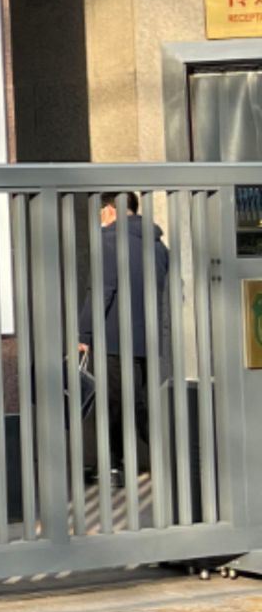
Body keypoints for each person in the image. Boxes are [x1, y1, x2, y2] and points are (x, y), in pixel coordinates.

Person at [77, 191, 172, 479]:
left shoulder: (109, 241)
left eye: (100, 211)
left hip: (115, 337)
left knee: (120, 403)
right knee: (131, 401)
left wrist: (85, 332)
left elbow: (102, 291)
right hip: (147, 338)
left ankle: (132, 462)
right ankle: (124, 462)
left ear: (110, 210)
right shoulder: (157, 245)